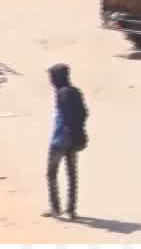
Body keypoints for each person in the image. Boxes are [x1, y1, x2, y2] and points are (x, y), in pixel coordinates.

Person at [44, 63, 88, 220]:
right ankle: (71, 210)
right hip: (75, 139)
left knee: (51, 174)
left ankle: (56, 208)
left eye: (51, 77)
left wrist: (65, 133)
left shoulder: (62, 93)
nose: (50, 81)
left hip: (60, 140)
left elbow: (65, 117)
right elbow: (84, 113)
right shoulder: (76, 92)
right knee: (71, 175)